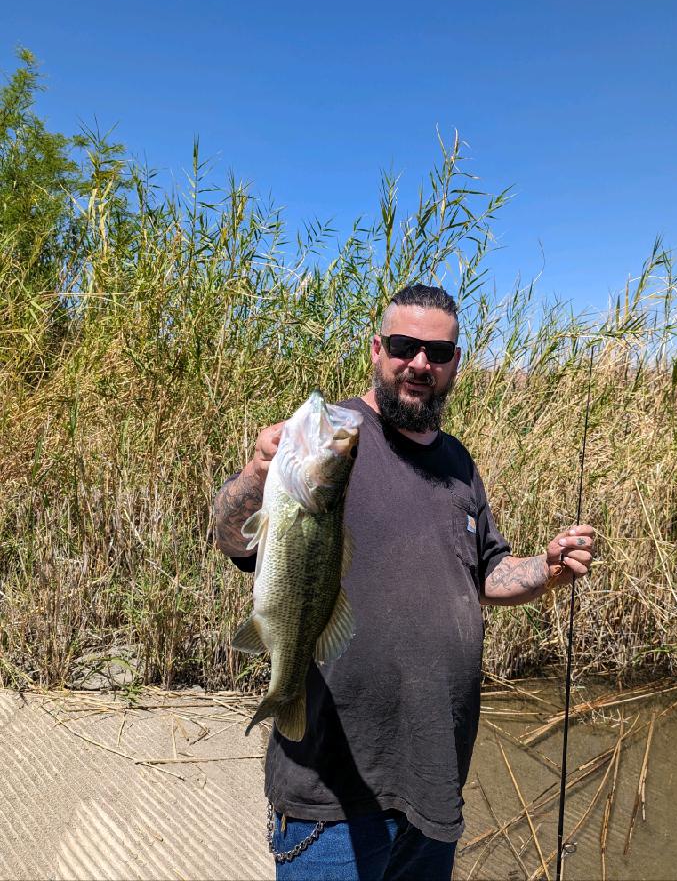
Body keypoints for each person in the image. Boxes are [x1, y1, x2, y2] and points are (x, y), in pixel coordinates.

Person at [214, 284, 595, 881]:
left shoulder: (459, 464)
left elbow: (486, 572)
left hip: (434, 779)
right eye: (403, 346)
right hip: (331, 794)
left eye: (437, 353)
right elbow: (232, 538)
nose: (419, 363)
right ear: (377, 349)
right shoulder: (332, 436)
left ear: (454, 364)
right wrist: (258, 472)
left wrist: (546, 570)